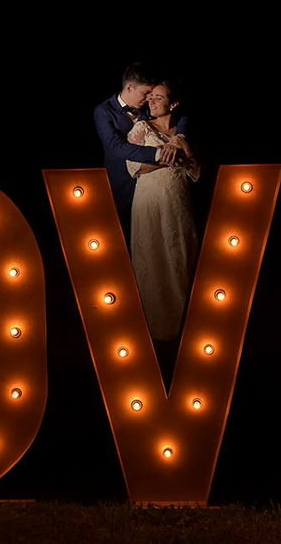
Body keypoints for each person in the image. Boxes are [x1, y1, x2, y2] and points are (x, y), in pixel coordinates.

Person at [126, 81, 199, 352]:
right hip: (148, 202)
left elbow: (196, 172)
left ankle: (184, 328)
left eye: (159, 97)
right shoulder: (141, 129)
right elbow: (133, 167)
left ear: (174, 103)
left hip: (178, 203)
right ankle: (153, 331)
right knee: (152, 258)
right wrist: (164, 158)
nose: (152, 101)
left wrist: (185, 152)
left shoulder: (182, 134)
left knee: (179, 256)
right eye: (151, 97)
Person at [93, 62, 186, 240]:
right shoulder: (103, 111)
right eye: (145, 93)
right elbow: (115, 147)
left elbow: (180, 115)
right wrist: (158, 153)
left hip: (153, 187)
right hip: (121, 184)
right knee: (124, 239)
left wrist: (179, 138)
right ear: (129, 87)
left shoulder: (148, 107)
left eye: (151, 95)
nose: (148, 99)